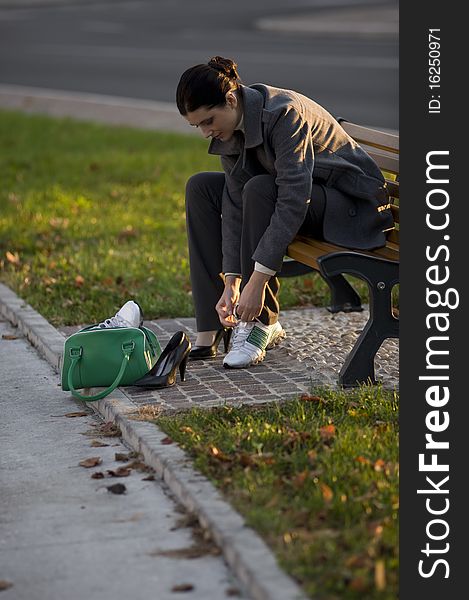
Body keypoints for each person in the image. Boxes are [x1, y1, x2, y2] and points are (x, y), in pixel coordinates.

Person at [176, 56, 393, 369]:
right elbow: (235, 206)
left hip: (352, 208)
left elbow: (292, 198)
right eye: (197, 125)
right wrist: (232, 282)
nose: (205, 132)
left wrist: (257, 284)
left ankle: (258, 323)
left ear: (231, 99)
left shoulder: (283, 114)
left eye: (208, 121)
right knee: (202, 188)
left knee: (261, 188)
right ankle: (212, 325)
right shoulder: (230, 130)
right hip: (305, 201)